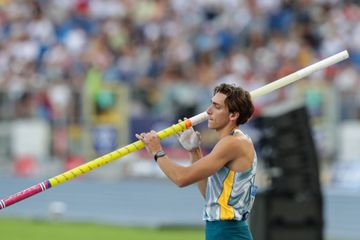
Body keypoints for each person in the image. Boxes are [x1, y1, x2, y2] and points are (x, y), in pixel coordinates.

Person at [136, 83, 257, 240]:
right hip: (220, 230)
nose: (208, 111)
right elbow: (208, 193)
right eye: (211, 104)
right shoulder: (230, 141)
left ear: (233, 115)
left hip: (229, 232)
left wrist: (156, 151)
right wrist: (194, 151)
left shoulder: (234, 143)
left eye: (217, 107)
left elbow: (181, 178)